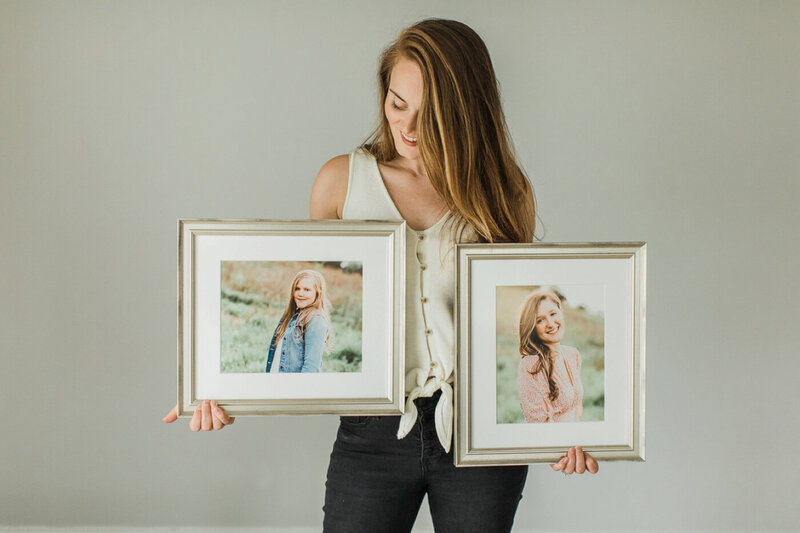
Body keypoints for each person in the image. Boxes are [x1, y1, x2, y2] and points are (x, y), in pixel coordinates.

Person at [163, 18, 598, 532]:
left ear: (466, 112)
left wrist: (562, 428)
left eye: (430, 115)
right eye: (398, 104)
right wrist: (223, 387)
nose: (408, 128)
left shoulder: (504, 192)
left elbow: (510, 336)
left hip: (479, 436)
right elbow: (306, 302)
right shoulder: (340, 182)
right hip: (372, 433)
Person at [517, 290, 584, 423]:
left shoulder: (573, 355)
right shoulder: (531, 366)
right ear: (532, 327)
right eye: (540, 320)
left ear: (561, 312)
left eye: (553, 314)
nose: (551, 323)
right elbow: (538, 423)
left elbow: (577, 407)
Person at [264, 269, 331, 373]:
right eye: (297, 288)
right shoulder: (290, 316)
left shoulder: (316, 321)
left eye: (307, 290)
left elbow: (311, 368)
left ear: (318, 292)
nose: (300, 293)